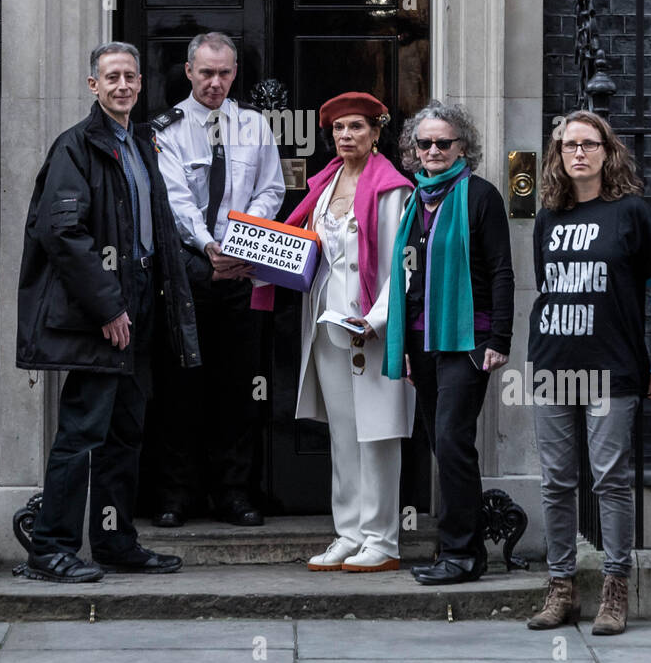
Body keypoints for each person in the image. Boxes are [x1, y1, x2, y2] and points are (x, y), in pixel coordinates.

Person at [16, 43, 200, 582]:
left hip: (139, 299)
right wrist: (108, 306)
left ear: (141, 84)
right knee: (82, 432)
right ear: (93, 86)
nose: (122, 85)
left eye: (130, 77)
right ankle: (49, 548)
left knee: (125, 431)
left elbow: (157, 231)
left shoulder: (142, 144)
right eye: (110, 77)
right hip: (100, 310)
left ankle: (116, 541)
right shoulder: (76, 146)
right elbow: (62, 233)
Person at [526, 110, 651, 635]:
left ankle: (615, 589)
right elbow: (547, 286)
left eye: (589, 145)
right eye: (569, 146)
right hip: (552, 364)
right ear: (558, 156)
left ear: (607, 153)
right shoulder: (548, 214)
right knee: (556, 481)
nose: (579, 153)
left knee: (610, 479)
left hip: (612, 365)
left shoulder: (630, 212)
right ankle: (561, 588)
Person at [151, 32, 285, 527]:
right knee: (181, 385)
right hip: (189, 269)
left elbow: (270, 189)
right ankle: (175, 495)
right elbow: (174, 198)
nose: (215, 82)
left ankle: (234, 493)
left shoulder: (254, 125)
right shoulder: (166, 129)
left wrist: (243, 240)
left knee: (237, 387)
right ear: (188, 71)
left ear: (234, 73)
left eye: (224, 72)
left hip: (244, 269)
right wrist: (210, 245)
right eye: (206, 72)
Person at [384, 101, 514, 585]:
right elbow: (407, 278)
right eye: (424, 143)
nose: (433, 150)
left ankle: (462, 552)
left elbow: (502, 270)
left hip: (467, 339)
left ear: (463, 147)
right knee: (444, 444)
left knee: (452, 441)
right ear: (413, 150)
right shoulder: (415, 199)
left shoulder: (480, 196)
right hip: (422, 341)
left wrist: (499, 337)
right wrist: (403, 345)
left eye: (444, 142)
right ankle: (463, 547)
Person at [284, 93, 415, 572]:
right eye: (338, 129)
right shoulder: (325, 183)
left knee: (378, 433)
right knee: (343, 434)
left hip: (372, 328)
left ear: (377, 133)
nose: (345, 136)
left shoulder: (393, 189)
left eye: (356, 127)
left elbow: (403, 268)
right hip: (326, 327)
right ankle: (349, 532)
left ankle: (382, 540)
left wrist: (376, 318)